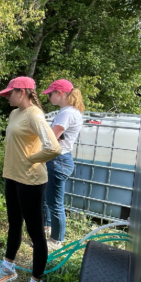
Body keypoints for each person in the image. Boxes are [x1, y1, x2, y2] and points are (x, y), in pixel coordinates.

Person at [0, 77, 61, 282]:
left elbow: (54, 148)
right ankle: (8, 267)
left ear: (22, 92)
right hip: (13, 177)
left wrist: (32, 159)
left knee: (36, 233)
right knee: (14, 224)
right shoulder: (14, 113)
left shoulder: (34, 114)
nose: (7, 96)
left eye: (9, 93)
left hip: (31, 180)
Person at [41, 79, 84, 250]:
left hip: (58, 160)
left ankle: (56, 240)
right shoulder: (69, 111)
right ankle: (47, 226)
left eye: (51, 93)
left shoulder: (67, 113)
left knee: (55, 202)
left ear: (60, 93)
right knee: (47, 198)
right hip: (59, 159)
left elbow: (51, 138)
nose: (49, 97)